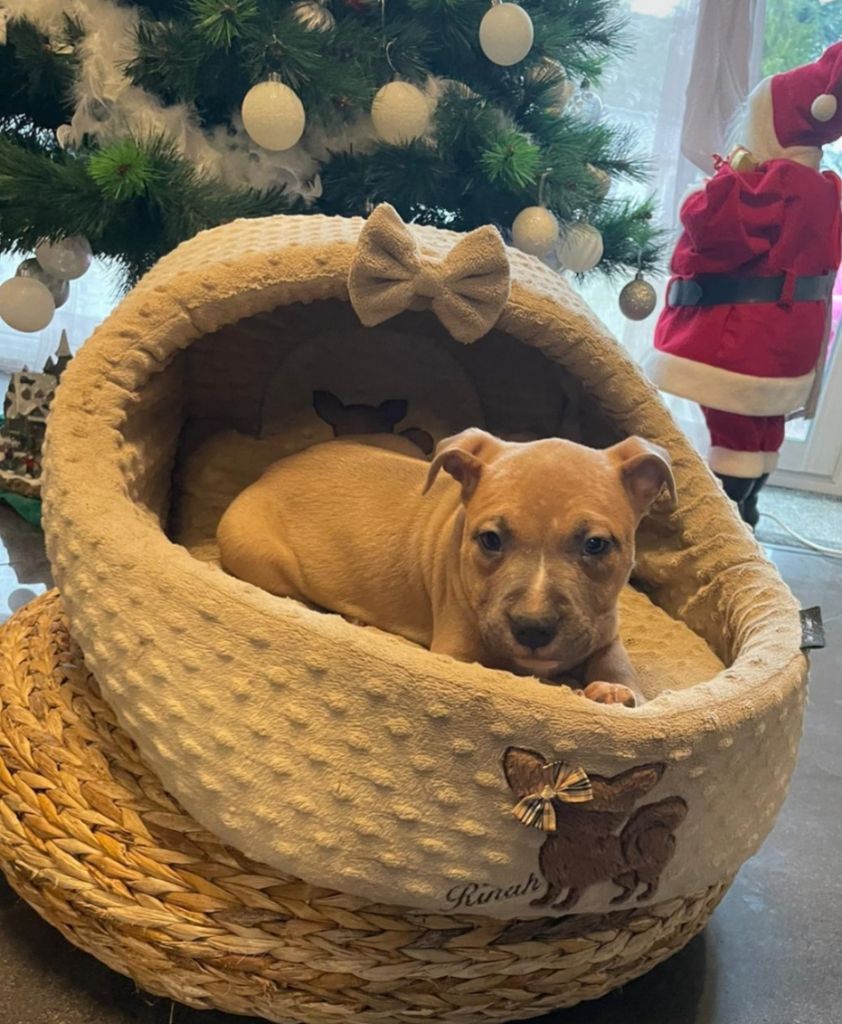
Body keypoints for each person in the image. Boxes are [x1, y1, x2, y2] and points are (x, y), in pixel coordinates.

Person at [645, 43, 842, 526]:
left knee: (732, 429)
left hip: (741, 340)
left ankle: (722, 521)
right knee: (762, 427)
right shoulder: (826, 187)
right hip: (786, 340)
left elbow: (711, 230)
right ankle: (747, 507)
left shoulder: (771, 182)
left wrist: (720, 184)